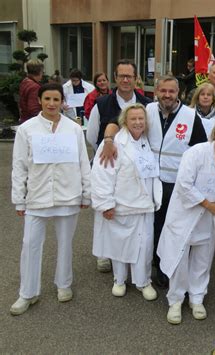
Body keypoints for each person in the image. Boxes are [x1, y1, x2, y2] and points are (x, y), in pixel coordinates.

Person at [10, 83, 91, 315]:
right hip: (37, 196)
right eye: (47, 99)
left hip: (68, 194)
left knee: (65, 243)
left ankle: (63, 284)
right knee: (30, 244)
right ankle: (27, 292)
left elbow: (83, 162)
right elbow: (19, 166)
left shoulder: (73, 129)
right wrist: (19, 199)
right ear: (40, 100)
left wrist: (87, 192)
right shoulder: (27, 129)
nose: (52, 104)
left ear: (61, 101)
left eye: (56, 99)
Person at [158, 118, 215, 324]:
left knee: (203, 259)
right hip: (185, 214)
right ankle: (175, 300)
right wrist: (208, 204)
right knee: (179, 257)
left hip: (210, 218)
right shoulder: (195, 152)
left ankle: (197, 298)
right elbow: (184, 184)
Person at [91, 104, 161, 301]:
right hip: (122, 205)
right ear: (124, 121)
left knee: (143, 246)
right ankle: (119, 280)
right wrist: (105, 204)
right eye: (133, 119)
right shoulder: (114, 144)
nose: (138, 122)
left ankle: (143, 281)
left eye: (141, 119)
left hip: (145, 205)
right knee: (120, 245)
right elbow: (102, 175)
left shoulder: (147, 142)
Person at [87, 60, 152, 273]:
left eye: (129, 76)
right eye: (121, 76)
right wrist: (107, 144)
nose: (125, 80)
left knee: (128, 216)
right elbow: (91, 133)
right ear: (115, 77)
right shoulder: (102, 102)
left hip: (135, 165)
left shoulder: (146, 102)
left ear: (136, 78)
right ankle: (104, 254)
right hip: (109, 159)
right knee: (105, 210)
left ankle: (131, 259)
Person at [146, 75, 208, 288]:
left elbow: (201, 151)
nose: (167, 95)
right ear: (157, 92)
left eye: (171, 91)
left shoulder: (191, 116)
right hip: (151, 180)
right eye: (163, 91)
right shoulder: (147, 111)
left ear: (179, 93)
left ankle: (167, 269)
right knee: (151, 225)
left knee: (171, 227)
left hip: (176, 184)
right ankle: (153, 263)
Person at [19, 59, 44, 123]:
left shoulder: (25, 81)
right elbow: (33, 109)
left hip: (24, 118)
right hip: (31, 121)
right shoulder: (35, 87)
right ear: (40, 71)